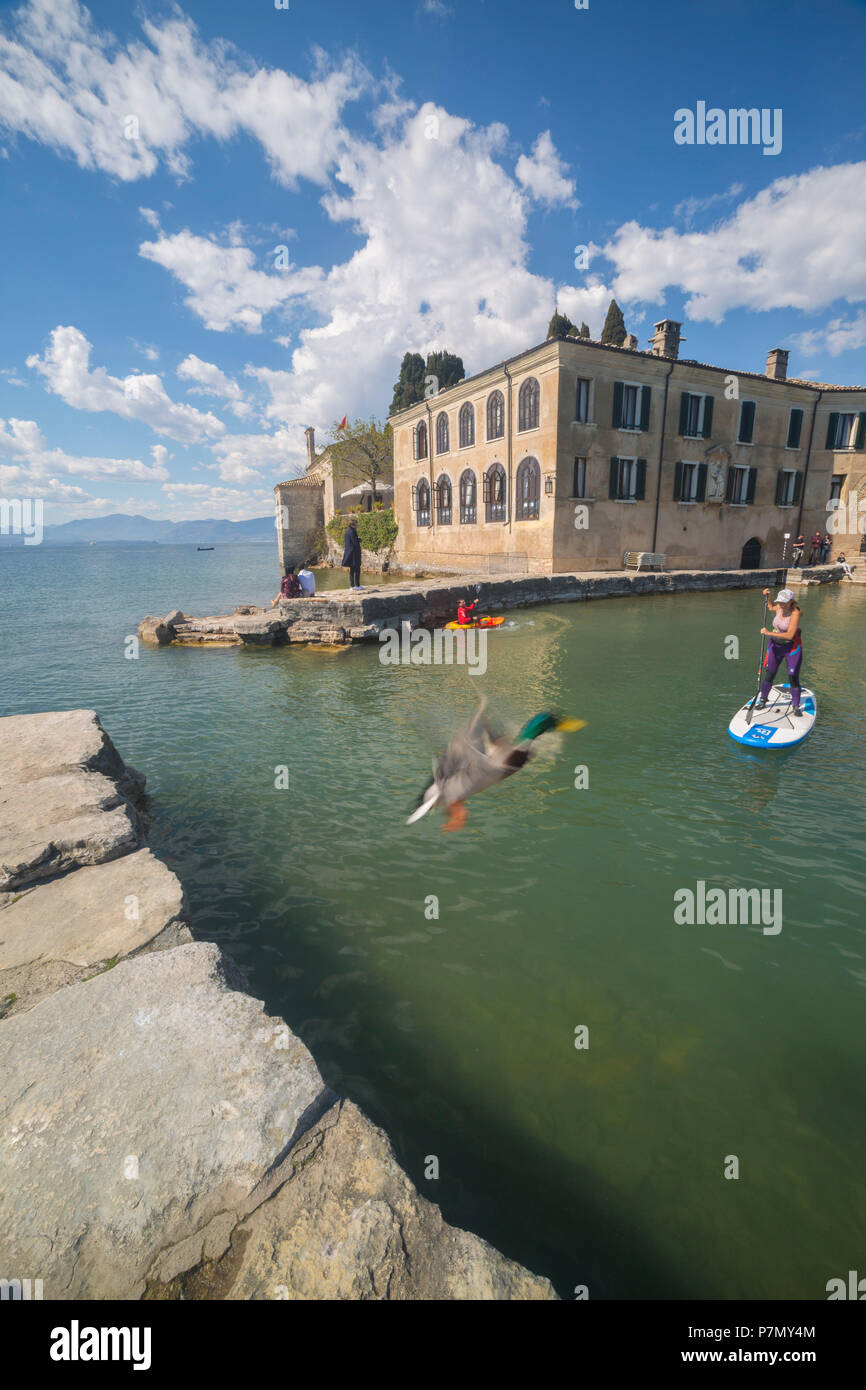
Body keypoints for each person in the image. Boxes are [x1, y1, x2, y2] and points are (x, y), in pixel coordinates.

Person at [756, 587, 804, 716]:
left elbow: (789, 635)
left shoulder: (795, 613)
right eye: (780, 601)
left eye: (783, 602)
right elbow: (770, 606)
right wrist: (768, 596)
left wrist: (768, 633)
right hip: (775, 647)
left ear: (790, 601)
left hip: (791, 648)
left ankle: (795, 706)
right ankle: (763, 699)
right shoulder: (779, 607)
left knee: (792, 676)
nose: (780, 604)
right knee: (769, 673)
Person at [342, 517, 362, 589]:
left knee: (352, 570)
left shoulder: (347, 532)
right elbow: (355, 542)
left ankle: (352, 586)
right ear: (353, 525)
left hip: (350, 553)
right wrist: (360, 539)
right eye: (356, 524)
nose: (357, 526)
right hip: (354, 554)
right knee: (357, 570)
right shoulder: (352, 532)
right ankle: (357, 585)